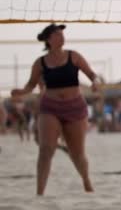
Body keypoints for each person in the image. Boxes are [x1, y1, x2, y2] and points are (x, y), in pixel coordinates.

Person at [11, 23, 100, 196]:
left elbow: (91, 74)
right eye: (57, 34)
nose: (62, 36)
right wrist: (21, 92)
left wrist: (95, 82)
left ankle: (86, 181)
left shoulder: (73, 56)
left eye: (62, 34)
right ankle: (40, 193)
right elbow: (30, 85)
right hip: (50, 107)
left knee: (77, 153)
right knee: (46, 149)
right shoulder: (40, 62)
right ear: (48, 40)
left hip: (75, 106)